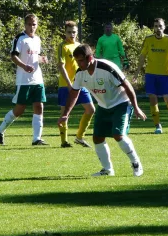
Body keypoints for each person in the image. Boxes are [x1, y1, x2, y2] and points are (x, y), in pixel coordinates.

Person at [58, 44, 146, 177]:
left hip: (121, 103)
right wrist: (65, 114)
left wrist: (136, 107)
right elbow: (74, 93)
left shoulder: (107, 68)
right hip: (103, 106)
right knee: (97, 138)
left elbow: (127, 86)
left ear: (90, 58)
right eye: (77, 61)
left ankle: (136, 163)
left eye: (81, 60)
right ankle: (107, 170)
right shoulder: (80, 73)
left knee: (118, 135)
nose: (79, 64)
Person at [0, 13, 49, 146]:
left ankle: (36, 138)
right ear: (25, 25)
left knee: (39, 106)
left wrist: (43, 59)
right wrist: (24, 66)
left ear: (37, 25)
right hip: (24, 80)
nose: (32, 27)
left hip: (37, 79)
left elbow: (36, 56)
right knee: (20, 109)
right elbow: (13, 56)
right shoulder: (20, 38)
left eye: (34, 24)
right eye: (29, 24)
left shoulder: (37, 39)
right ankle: (0, 129)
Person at [136, 18, 168, 134]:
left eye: (160, 26)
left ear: (164, 27)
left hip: (165, 75)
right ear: (153, 28)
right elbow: (142, 56)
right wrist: (137, 72)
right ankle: (157, 125)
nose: (158, 28)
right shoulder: (148, 40)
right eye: (156, 26)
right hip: (151, 74)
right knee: (153, 99)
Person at [56, 21, 95, 148]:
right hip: (66, 85)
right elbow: (61, 67)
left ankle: (79, 137)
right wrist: (68, 84)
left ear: (77, 32)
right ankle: (64, 141)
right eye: (69, 32)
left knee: (91, 109)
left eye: (74, 32)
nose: (72, 34)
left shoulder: (80, 46)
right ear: (65, 32)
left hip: (81, 84)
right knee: (65, 113)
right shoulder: (63, 46)